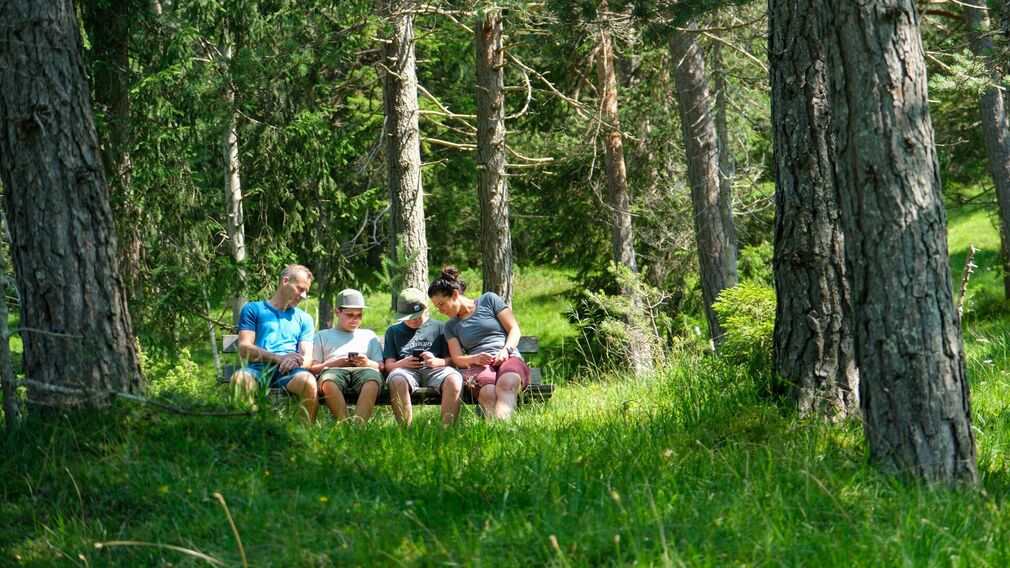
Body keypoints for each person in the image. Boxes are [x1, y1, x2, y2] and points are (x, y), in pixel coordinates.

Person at [427, 267, 530, 420]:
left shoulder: (489, 300)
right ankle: (498, 434)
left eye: (442, 304)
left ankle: (504, 432)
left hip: (509, 357)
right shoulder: (450, 326)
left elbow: (514, 329)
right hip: (479, 366)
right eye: (437, 307)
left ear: (455, 295)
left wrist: (506, 350)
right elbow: (458, 359)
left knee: (507, 385)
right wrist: (475, 358)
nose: (440, 310)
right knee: (489, 395)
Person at [231, 264, 318, 426]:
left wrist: (294, 362)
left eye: (307, 291)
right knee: (240, 378)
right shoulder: (253, 309)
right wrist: (279, 358)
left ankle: (302, 439)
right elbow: (244, 348)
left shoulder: (304, 318)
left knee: (309, 382)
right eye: (301, 289)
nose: (304, 295)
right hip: (258, 370)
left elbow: (307, 357)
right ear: (285, 281)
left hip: (289, 372)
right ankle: (250, 430)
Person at [384, 287, 463, 427]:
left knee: (454, 379)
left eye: (417, 316)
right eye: (409, 318)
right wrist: (402, 363)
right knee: (396, 380)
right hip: (405, 370)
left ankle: (447, 429)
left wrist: (436, 361)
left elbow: (452, 360)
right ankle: (405, 430)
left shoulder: (440, 327)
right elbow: (389, 365)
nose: (414, 321)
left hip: (437, 369)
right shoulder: (393, 331)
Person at [308, 288, 384, 424]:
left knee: (372, 381)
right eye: (350, 315)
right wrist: (336, 363)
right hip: (333, 371)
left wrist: (367, 362)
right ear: (337, 312)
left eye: (359, 315)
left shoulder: (369, 336)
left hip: (365, 370)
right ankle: (344, 425)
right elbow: (313, 368)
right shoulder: (323, 335)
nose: (355, 319)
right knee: (328, 382)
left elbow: (381, 366)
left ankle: (358, 427)